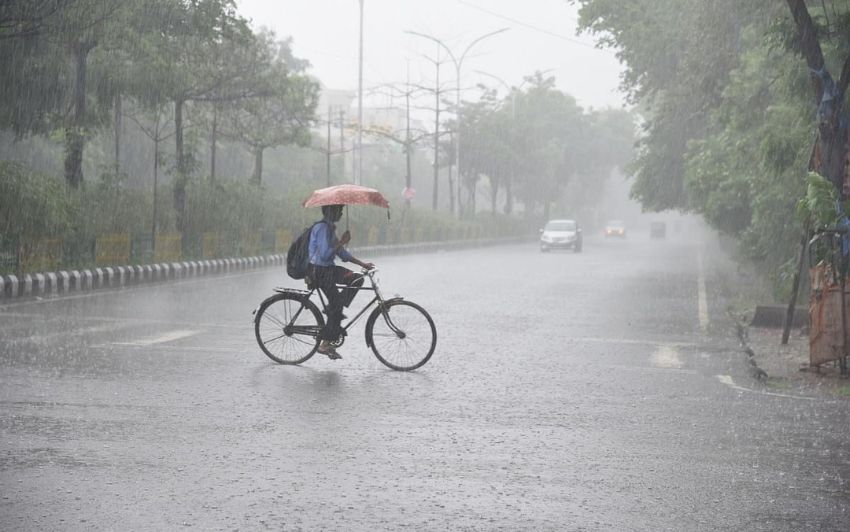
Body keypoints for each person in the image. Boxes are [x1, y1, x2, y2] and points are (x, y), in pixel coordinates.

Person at [307, 204, 374, 360]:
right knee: (337, 305)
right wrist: (342, 241)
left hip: (328, 270)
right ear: (331, 211)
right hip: (319, 271)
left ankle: (333, 309)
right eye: (339, 210)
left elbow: (342, 254)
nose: (342, 213)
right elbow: (325, 254)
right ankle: (325, 344)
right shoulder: (322, 228)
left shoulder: (329, 228)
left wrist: (362, 264)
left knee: (357, 278)